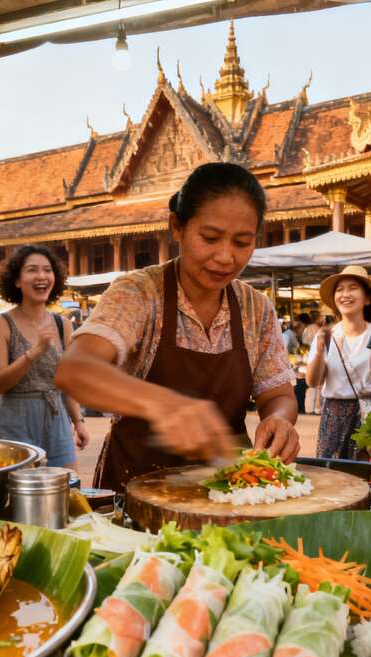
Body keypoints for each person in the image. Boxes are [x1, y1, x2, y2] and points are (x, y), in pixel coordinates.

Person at [55, 162, 299, 490]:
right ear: (177, 227)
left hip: (229, 489)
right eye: (209, 238)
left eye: (242, 243)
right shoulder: (139, 293)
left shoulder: (256, 308)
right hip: (136, 487)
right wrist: (163, 405)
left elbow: (279, 394)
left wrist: (279, 419)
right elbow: (75, 370)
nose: (225, 257)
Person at [0, 245, 88, 469]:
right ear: (16, 280)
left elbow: (67, 381)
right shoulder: (0, 324)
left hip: (57, 419)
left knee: (67, 484)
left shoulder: (63, 324)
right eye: (32, 270)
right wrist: (34, 352)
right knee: (20, 488)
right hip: (16, 420)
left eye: (47, 270)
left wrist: (78, 421)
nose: (41, 276)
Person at [306, 266, 371, 459]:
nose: (345, 294)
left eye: (353, 288)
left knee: (366, 470)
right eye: (340, 289)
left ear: (367, 298)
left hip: (370, 414)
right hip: (333, 415)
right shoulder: (327, 335)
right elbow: (313, 381)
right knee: (331, 471)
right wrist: (320, 349)